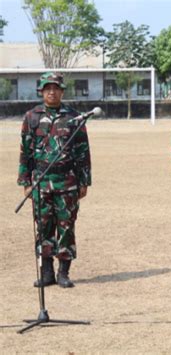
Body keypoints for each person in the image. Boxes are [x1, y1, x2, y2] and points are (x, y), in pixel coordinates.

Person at [17, 72, 91, 288]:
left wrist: (84, 181)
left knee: (66, 226)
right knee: (43, 227)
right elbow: (25, 152)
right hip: (40, 181)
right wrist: (25, 181)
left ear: (62, 91)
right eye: (47, 88)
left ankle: (64, 273)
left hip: (67, 181)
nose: (52, 92)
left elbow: (83, 152)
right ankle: (47, 272)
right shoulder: (31, 117)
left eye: (56, 88)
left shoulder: (74, 117)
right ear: (41, 91)